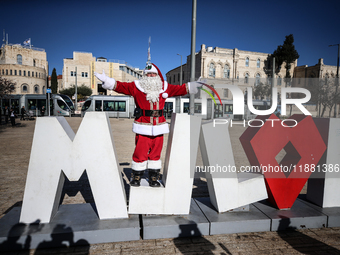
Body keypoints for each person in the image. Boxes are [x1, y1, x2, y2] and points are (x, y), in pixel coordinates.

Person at [95, 63, 201, 187]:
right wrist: (107, 80)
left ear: (157, 75)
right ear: (144, 76)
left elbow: (180, 89)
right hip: (142, 125)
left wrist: (194, 85)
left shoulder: (165, 87)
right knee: (140, 152)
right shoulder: (136, 87)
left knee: (156, 152)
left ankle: (153, 177)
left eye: (153, 74)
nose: (150, 76)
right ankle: (136, 177)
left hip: (159, 126)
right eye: (148, 74)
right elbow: (120, 86)